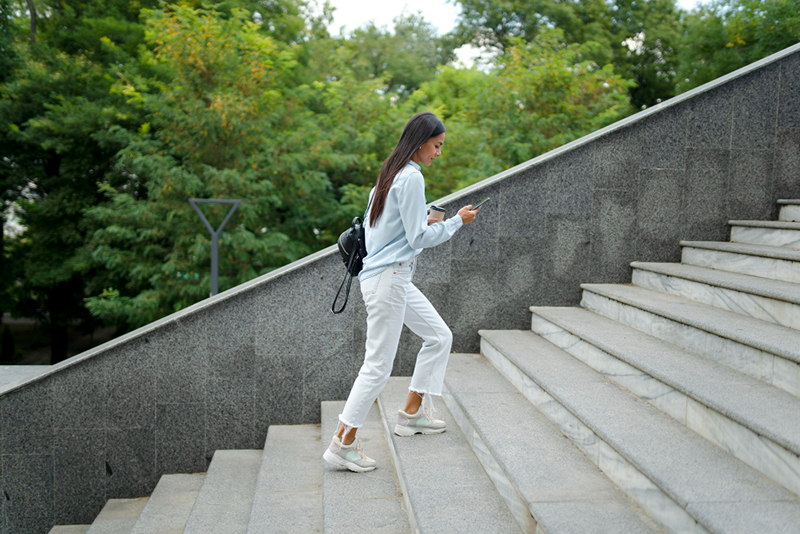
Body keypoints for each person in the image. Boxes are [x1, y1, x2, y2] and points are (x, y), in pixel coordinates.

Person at [323, 112, 481, 472]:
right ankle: (343, 442)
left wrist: (424, 219)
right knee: (377, 367)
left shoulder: (387, 178)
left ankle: (412, 413)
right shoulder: (411, 178)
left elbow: (387, 233)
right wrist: (457, 222)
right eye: (437, 145)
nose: (439, 153)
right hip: (389, 279)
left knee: (439, 336)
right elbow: (417, 240)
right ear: (421, 141)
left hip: (390, 277)